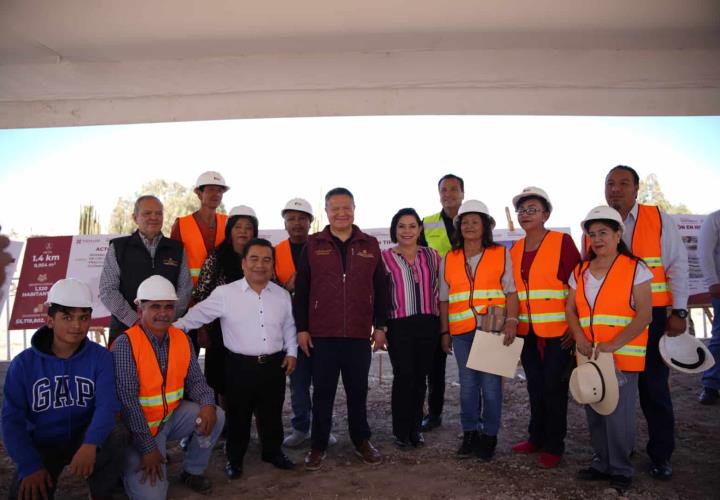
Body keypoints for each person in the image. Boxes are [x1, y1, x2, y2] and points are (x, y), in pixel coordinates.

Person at [174, 238, 297, 479]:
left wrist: (291, 352)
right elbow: (196, 316)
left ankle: (272, 452)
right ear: (243, 264)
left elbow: (289, 327)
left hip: (274, 366)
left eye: (266, 260)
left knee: (272, 414)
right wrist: (168, 330)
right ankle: (235, 458)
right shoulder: (225, 294)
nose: (260, 265)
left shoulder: (282, 295)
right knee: (238, 416)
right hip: (239, 367)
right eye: (254, 259)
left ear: (273, 265)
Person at [2, 278, 127, 500]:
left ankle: (104, 491)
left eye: (83, 318)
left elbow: (107, 407)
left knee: (117, 432)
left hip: (84, 436)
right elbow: (11, 421)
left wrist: (90, 443)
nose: (77, 326)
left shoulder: (101, 357)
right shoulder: (23, 364)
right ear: (49, 320)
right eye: (67, 317)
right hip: (42, 443)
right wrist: (29, 466)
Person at [602, 165, 688, 479]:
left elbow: (677, 266)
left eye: (623, 183)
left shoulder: (658, 219)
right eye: (610, 183)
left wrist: (679, 310)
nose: (615, 189)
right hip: (614, 326)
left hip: (652, 323)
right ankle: (620, 450)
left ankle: (661, 454)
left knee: (654, 389)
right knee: (617, 391)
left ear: (637, 189)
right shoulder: (598, 223)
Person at [293, 187, 388, 471]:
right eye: (335, 208)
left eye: (346, 207)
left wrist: (381, 326)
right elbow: (303, 290)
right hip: (322, 333)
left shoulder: (369, 244)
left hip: (359, 334)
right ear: (327, 212)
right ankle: (318, 445)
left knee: (358, 391)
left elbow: (382, 288)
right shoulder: (313, 244)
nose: (341, 213)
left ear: (354, 208)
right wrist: (302, 329)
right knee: (322, 392)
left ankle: (361, 440)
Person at [112, 275, 224, 499]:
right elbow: (128, 402)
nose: (163, 313)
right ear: (140, 309)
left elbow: (196, 380)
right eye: (155, 306)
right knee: (153, 496)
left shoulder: (181, 338)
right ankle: (122, 474)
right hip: (139, 428)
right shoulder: (126, 343)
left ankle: (192, 471)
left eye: (168, 307)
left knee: (216, 415)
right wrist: (148, 448)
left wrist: (208, 404)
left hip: (171, 417)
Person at [567, 205, 653, 493]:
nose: (597, 239)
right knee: (594, 407)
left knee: (618, 414)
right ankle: (601, 462)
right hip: (589, 354)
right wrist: (578, 335)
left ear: (618, 234)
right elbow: (570, 308)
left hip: (621, 355)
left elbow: (645, 315)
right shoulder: (580, 270)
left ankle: (620, 469)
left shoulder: (635, 268)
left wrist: (614, 344)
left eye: (603, 232)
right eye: (592, 234)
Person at [439, 200, 519, 461]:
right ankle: (470, 432)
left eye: (475, 221)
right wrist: (444, 332)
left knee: (491, 386)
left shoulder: (499, 253)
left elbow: (510, 292)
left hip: (492, 329)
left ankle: (489, 436)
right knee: (468, 386)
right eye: (465, 221)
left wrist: (512, 321)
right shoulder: (450, 258)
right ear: (458, 227)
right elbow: (444, 299)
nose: (469, 226)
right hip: (461, 330)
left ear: (485, 226)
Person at [508, 187, 580, 468]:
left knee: (553, 387)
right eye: (522, 210)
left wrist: (575, 327)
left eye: (532, 209)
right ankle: (535, 437)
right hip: (527, 333)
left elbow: (578, 284)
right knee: (535, 386)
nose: (526, 215)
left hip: (558, 333)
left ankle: (554, 444)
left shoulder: (562, 242)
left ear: (546, 214)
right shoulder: (514, 250)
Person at [275, 198, 337, 448]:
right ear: (285, 223)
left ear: (311, 221)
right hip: (290, 326)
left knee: (324, 381)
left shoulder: (323, 246)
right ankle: (300, 427)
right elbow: (266, 286)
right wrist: (285, 286)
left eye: (302, 218)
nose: (297, 223)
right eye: (291, 219)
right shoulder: (276, 251)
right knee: (298, 382)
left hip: (322, 324)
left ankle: (322, 428)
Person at [382, 208, 441, 450]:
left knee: (420, 378)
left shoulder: (433, 256)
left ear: (420, 229)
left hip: (428, 322)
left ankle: (415, 428)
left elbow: (442, 291)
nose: (407, 231)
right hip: (399, 324)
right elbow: (380, 295)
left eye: (412, 226)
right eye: (401, 226)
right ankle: (400, 431)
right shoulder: (384, 257)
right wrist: (380, 327)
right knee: (404, 376)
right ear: (394, 230)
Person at [100, 195, 192, 345]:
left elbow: (185, 289)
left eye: (158, 213)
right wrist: (136, 321)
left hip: (166, 333)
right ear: (135, 217)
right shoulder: (118, 248)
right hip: (125, 332)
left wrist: (164, 320)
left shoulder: (177, 249)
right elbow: (107, 290)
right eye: (147, 213)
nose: (154, 217)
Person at [193, 205, 258, 400]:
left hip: (253, 330)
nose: (243, 232)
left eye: (248, 227)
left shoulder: (261, 257)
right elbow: (201, 295)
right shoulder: (216, 257)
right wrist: (203, 329)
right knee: (220, 381)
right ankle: (223, 424)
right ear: (229, 230)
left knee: (248, 381)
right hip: (219, 332)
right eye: (238, 227)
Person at [420, 173, 464, 431]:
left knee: (474, 363)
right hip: (438, 303)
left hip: (469, 303)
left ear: (462, 193)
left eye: (454, 189)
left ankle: (475, 415)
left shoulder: (476, 220)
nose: (448, 194)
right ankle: (434, 414)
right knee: (435, 365)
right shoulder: (427, 224)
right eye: (444, 190)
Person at [171, 171, 229, 287]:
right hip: (190, 293)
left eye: (219, 190)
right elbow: (173, 262)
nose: (216, 194)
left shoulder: (229, 222)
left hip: (223, 292)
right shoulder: (181, 224)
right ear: (199, 193)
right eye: (211, 189)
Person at [699, 209, 720, 404]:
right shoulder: (715, 218)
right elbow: (704, 252)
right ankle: (711, 385)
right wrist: (712, 281)